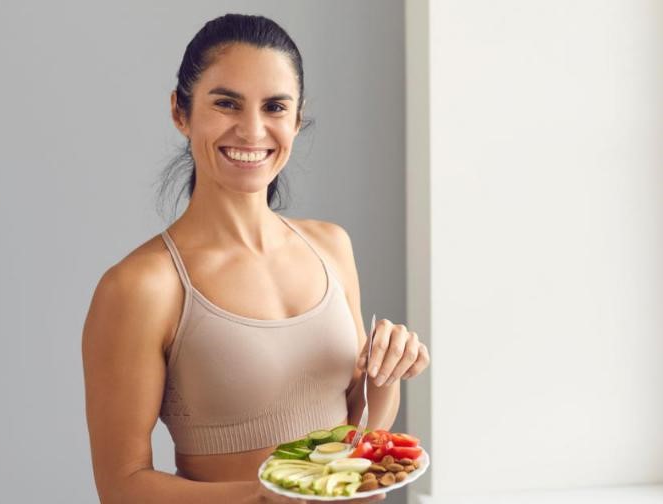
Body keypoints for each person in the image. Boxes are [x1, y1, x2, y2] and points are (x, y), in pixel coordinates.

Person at [81, 13, 430, 504]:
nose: (251, 130)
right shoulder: (143, 286)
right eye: (226, 103)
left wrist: (384, 373)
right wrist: (267, 497)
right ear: (181, 113)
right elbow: (122, 486)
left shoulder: (331, 246)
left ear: (296, 119)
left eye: (274, 107)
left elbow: (356, 434)